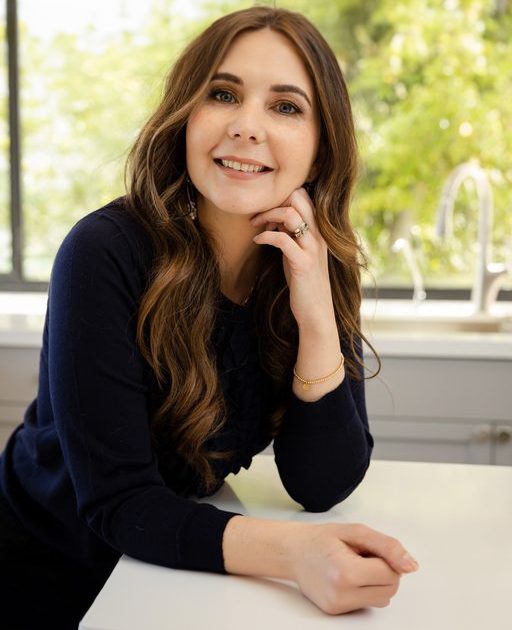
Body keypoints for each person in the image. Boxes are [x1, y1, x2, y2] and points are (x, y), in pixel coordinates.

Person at [0, 6, 419, 628]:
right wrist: (294, 555)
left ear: (321, 145)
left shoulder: (313, 258)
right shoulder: (103, 251)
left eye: (285, 106)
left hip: (179, 568)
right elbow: (121, 504)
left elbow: (322, 481)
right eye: (222, 94)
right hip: (53, 568)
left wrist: (316, 312)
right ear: (186, 116)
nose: (247, 127)